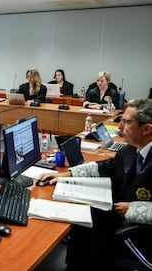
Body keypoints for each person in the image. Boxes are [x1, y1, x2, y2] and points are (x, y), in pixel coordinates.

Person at [39, 99, 152, 269]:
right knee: (79, 222)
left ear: (146, 129)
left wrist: (134, 209)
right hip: (116, 212)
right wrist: (65, 174)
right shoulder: (132, 149)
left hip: (139, 233)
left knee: (85, 234)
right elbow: (106, 167)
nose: (120, 127)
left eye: (126, 122)